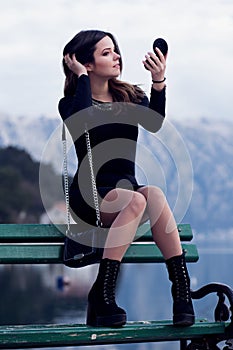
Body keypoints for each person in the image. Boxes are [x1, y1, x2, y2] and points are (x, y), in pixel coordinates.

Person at [58, 29, 195, 328]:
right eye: (106, 53)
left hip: (125, 193)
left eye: (115, 50)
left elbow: (155, 123)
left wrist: (158, 80)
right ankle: (104, 295)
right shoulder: (69, 104)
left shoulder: (129, 96)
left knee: (154, 195)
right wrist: (81, 78)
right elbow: (82, 121)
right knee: (134, 200)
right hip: (90, 196)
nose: (117, 56)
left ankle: (181, 292)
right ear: (86, 63)